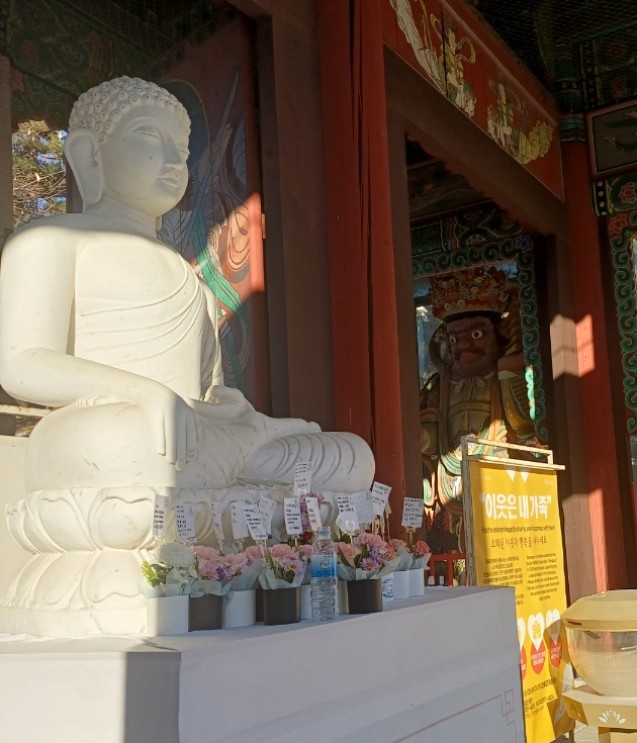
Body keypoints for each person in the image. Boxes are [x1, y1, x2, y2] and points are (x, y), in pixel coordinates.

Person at [0, 76, 372, 615]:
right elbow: (21, 364)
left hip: (194, 443)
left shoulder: (189, 275)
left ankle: (225, 507)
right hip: (110, 437)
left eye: (183, 147)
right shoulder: (49, 240)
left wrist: (236, 412)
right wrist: (145, 394)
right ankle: (213, 514)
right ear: (88, 153)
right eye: (150, 137)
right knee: (132, 447)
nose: (175, 158)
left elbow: (206, 393)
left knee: (349, 456)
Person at [419, 265, 537, 548]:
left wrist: (510, 371)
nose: (462, 348)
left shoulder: (506, 377)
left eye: (475, 335)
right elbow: (426, 440)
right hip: (451, 487)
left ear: (499, 336)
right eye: (453, 339)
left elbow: (525, 426)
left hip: (503, 483)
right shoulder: (439, 385)